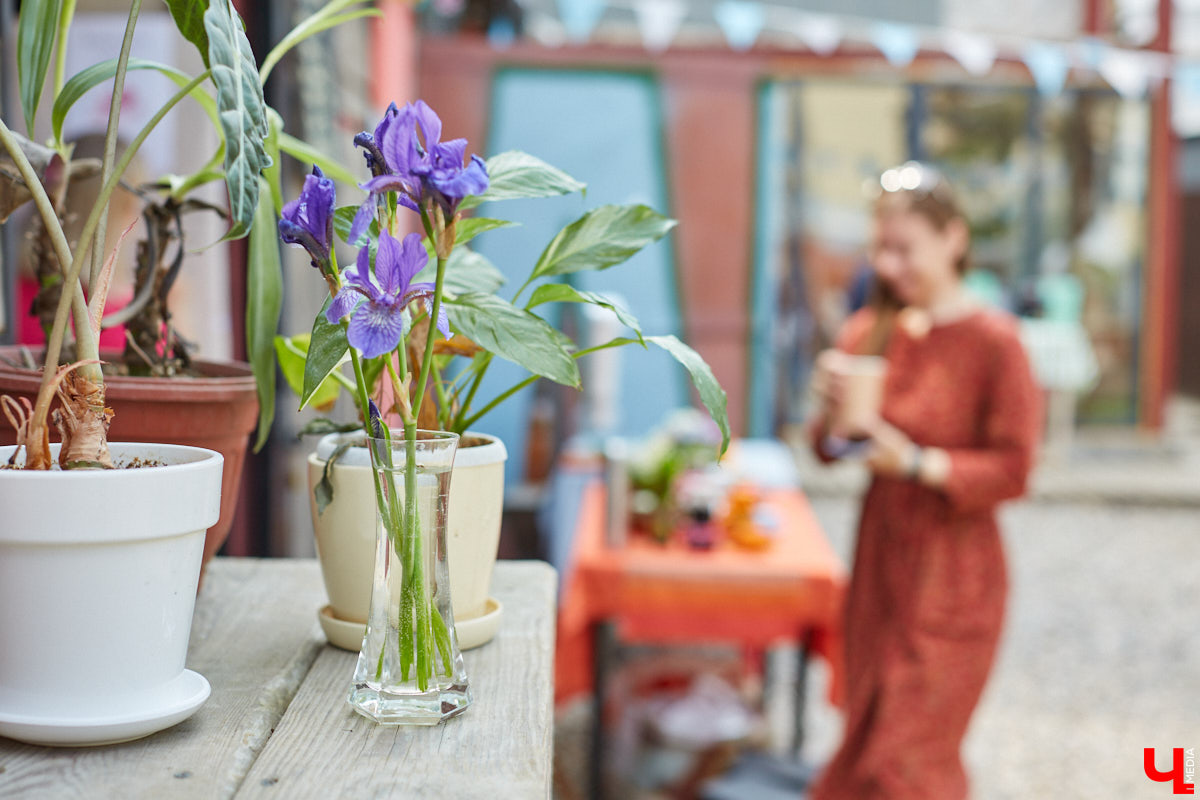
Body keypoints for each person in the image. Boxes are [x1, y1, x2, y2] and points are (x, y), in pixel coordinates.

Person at [808, 162, 1043, 800]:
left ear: (953, 239)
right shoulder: (870, 329)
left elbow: (1016, 468)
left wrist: (915, 462)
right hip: (879, 565)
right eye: (880, 248)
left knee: (907, 763)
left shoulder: (996, 343)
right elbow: (828, 448)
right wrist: (831, 410)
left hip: (956, 575)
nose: (888, 266)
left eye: (904, 248)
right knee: (862, 741)